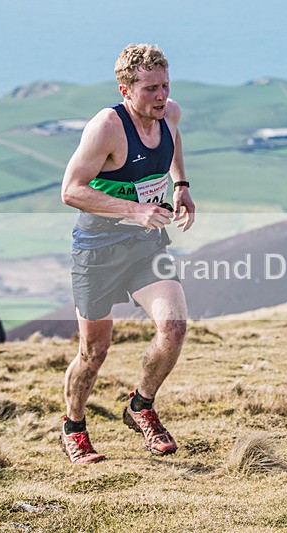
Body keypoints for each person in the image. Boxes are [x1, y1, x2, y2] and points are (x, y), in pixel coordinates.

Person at [59, 44, 195, 464]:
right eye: (150, 88)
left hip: (144, 246)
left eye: (165, 85)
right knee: (94, 353)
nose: (160, 95)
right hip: (98, 250)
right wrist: (136, 210)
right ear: (125, 89)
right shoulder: (106, 128)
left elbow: (173, 146)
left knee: (173, 327)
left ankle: (141, 406)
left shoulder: (168, 112)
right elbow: (71, 191)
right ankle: (74, 427)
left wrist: (182, 187)